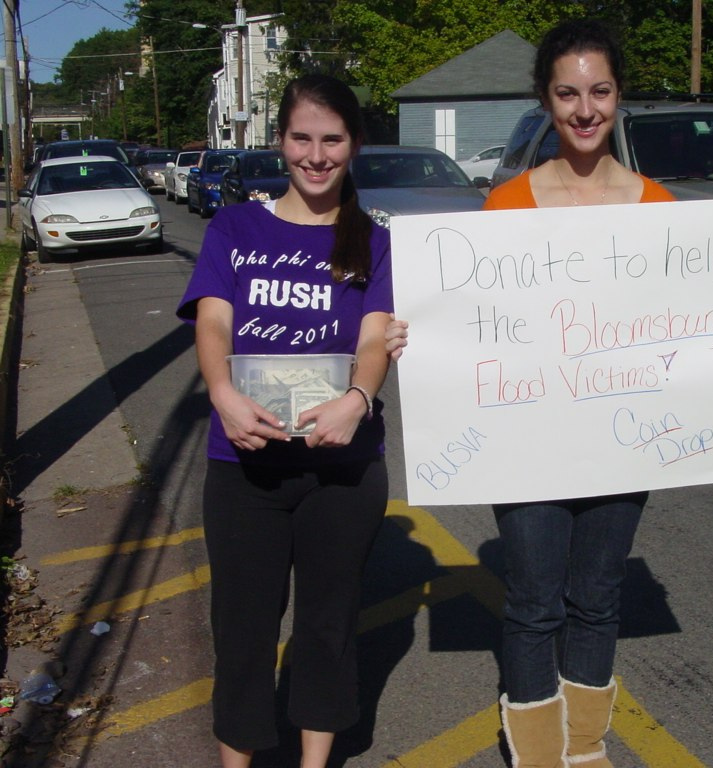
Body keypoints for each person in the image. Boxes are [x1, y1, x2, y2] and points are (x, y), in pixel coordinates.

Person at [385, 18, 713, 768]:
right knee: (537, 602)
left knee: (598, 597)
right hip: (526, 446)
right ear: (546, 101)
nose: (584, 109)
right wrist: (425, 340)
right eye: (567, 93)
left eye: (599, 91)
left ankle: (585, 747)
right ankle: (540, 752)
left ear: (618, 98)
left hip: (623, 439)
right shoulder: (505, 206)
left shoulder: (659, 208)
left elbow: (698, 323)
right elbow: (475, 324)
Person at [177, 74, 393, 768]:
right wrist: (221, 393)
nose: (317, 154)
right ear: (280, 141)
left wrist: (358, 399)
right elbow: (214, 318)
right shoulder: (236, 226)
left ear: (353, 145)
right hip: (244, 465)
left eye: (332, 139)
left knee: (327, 629)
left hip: (342, 471)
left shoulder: (374, 240)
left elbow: (374, 337)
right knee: (241, 632)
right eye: (302, 137)